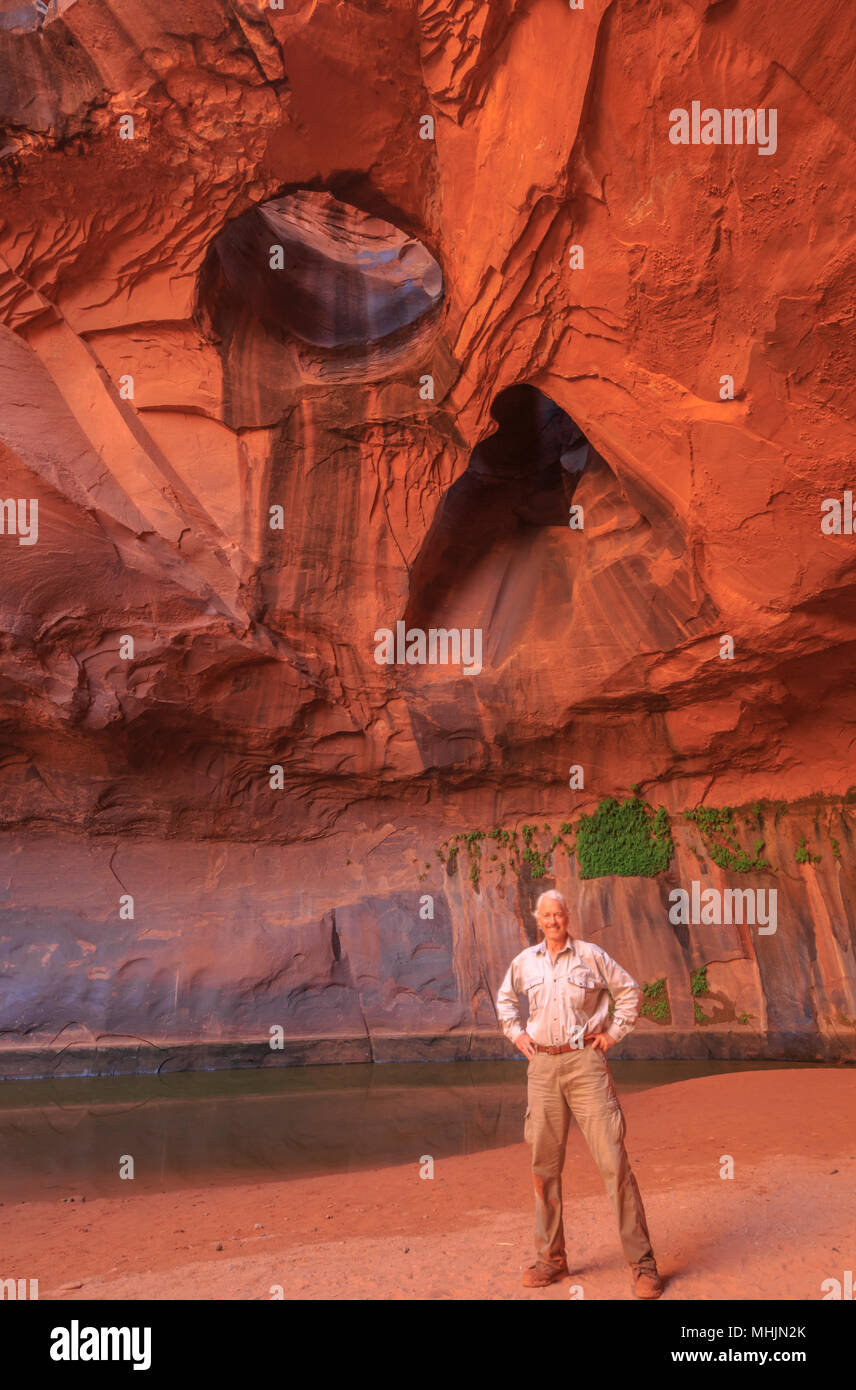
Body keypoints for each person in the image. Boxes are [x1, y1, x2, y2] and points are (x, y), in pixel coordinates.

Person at [495, 889, 664, 1298]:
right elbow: (504, 1001)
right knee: (544, 1167)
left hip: (585, 1064)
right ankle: (552, 1259)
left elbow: (630, 992)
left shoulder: (591, 955)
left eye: (559, 914)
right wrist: (516, 1034)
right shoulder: (524, 963)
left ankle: (643, 1266)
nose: (553, 921)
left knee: (614, 1162)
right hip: (543, 1068)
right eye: (546, 915)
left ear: (567, 917)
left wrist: (612, 1034)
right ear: (538, 921)